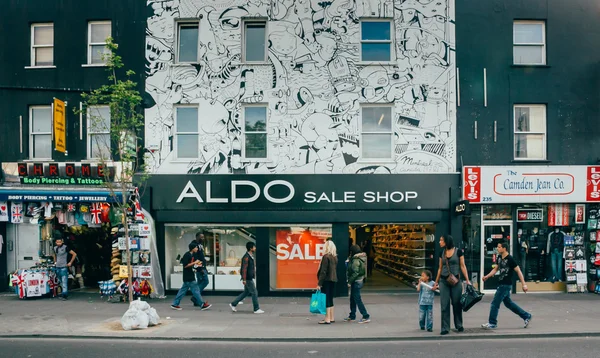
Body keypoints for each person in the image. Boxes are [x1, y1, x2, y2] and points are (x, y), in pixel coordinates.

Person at [481, 240, 532, 330]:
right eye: (497, 247)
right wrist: (487, 276)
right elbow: (496, 269)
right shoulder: (499, 257)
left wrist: (524, 284)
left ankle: (492, 323)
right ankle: (526, 316)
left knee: (494, 304)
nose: (497, 248)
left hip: (505, 285)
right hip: (501, 283)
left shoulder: (510, 259)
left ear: (504, 248)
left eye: (499, 247)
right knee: (508, 303)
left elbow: (518, 271)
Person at [433, 234, 470, 335]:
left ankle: (459, 324)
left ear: (446, 241)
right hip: (443, 281)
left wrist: (467, 280)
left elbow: (463, 266)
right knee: (444, 305)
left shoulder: (458, 252)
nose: (439, 242)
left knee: (456, 303)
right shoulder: (442, 253)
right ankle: (445, 327)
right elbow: (440, 268)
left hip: (456, 281)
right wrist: (436, 282)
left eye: (441, 240)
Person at [171, 242, 212, 311]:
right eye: (196, 247)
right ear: (192, 248)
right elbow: (186, 265)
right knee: (196, 290)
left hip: (188, 276)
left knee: (183, 291)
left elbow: (190, 265)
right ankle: (202, 304)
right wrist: (194, 263)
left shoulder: (192, 255)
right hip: (189, 276)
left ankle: (175, 304)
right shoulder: (187, 255)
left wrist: (196, 265)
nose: (197, 249)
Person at [230, 242, 263, 314]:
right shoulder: (246, 257)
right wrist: (244, 279)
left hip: (249, 277)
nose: (255, 248)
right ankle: (256, 308)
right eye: (254, 247)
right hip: (248, 278)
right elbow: (244, 269)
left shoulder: (250, 256)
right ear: (251, 248)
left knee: (246, 292)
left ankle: (233, 303)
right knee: (254, 292)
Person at [344, 244, 370, 323]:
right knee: (353, 299)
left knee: (357, 299)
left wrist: (349, 282)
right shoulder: (358, 259)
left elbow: (355, 272)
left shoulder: (355, 260)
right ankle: (352, 315)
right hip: (358, 281)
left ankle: (365, 315)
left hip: (356, 281)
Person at [317, 239, 338, 324]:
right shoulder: (334, 257)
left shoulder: (326, 257)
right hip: (333, 280)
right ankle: (331, 317)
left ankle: (327, 318)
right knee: (330, 298)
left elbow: (323, 271)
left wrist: (319, 283)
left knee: (326, 299)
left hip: (326, 280)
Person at [190, 232, 210, 307]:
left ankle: (197, 300)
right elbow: (195, 257)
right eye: (201, 237)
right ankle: (195, 297)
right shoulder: (195, 245)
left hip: (202, 266)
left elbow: (201, 256)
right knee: (205, 281)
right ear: (197, 237)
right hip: (200, 267)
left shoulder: (200, 245)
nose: (203, 238)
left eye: (203, 237)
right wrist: (200, 268)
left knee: (199, 282)